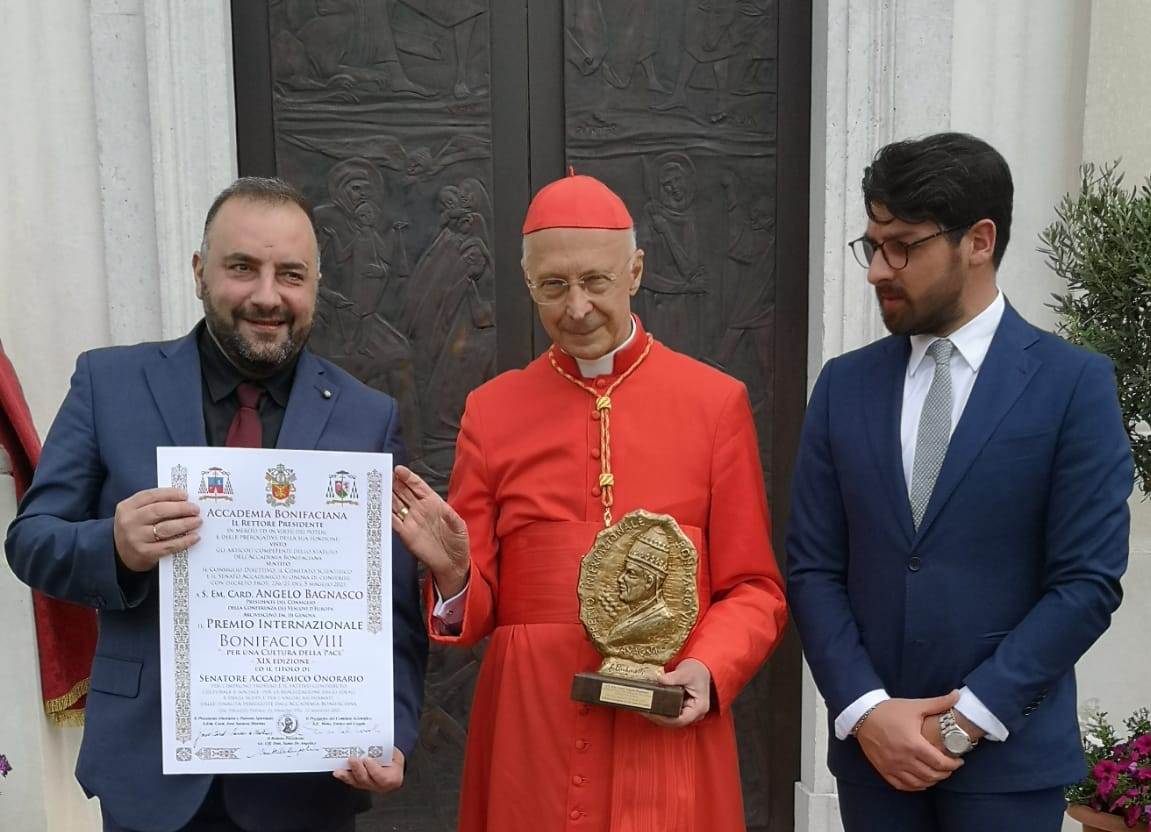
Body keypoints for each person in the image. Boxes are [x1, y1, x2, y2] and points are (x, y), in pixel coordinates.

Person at [5, 177, 428, 832]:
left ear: (315, 285)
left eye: (290, 274)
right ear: (200, 272)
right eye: (241, 268)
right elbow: (32, 540)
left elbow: (393, 614)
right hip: (152, 775)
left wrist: (388, 733)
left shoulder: (366, 419)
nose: (266, 295)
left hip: (307, 780)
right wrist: (113, 547)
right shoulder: (109, 383)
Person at [388, 172, 788, 832]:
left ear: (634, 271)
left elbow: (754, 588)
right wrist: (456, 575)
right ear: (528, 285)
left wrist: (706, 667)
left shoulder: (715, 403)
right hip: (530, 723)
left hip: (662, 709)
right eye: (553, 286)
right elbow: (478, 607)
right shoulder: (491, 413)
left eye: (594, 282)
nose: (575, 308)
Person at [786, 133, 1134, 832]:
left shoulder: (1073, 386)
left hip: (1008, 764)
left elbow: (1085, 583)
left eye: (902, 246)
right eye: (871, 244)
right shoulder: (841, 387)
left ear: (978, 241)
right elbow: (812, 566)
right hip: (872, 762)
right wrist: (864, 710)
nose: (877, 269)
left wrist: (964, 722)